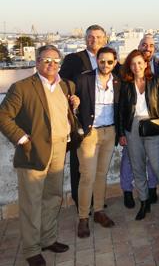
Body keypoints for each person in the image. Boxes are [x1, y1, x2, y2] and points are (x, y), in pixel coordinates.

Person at [0, 45, 79, 266]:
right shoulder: (22, 87)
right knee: (32, 202)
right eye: (46, 60)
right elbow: (3, 116)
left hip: (59, 148)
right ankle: (32, 248)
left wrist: (75, 106)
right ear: (37, 62)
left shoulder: (66, 86)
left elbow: (62, 114)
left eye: (55, 61)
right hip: (33, 152)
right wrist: (22, 139)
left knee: (53, 197)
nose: (51, 65)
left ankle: (48, 239)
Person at [59, 24, 108, 209]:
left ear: (104, 39)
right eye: (90, 37)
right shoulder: (74, 59)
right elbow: (62, 82)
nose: (94, 40)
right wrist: (73, 94)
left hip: (104, 121)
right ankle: (81, 204)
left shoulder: (108, 58)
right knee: (80, 166)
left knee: (99, 169)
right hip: (81, 120)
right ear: (85, 39)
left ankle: (97, 202)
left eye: (98, 37)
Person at [118, 49, 159, 220]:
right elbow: (120, 111)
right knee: (137, 167)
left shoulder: (155, 81)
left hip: (153, 125)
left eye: (140, 62)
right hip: (132, 127)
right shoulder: (126, 84)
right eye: (133, 63)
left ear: (146, 64)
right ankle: (144, 202)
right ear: (129, 66)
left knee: (157, 165)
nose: (136, 66)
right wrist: (121, 133)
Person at [73, 47, 120, 238]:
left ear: (115, 62)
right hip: (89, 134)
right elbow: (72, 100)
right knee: (87, 176)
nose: (106, 65)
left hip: (110, 132)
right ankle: (83, 217)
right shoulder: (84, 79)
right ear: (97, 61)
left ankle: (99, 211)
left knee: (102, 174)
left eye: (110, 62)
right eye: (102, 61)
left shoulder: (118, 81)